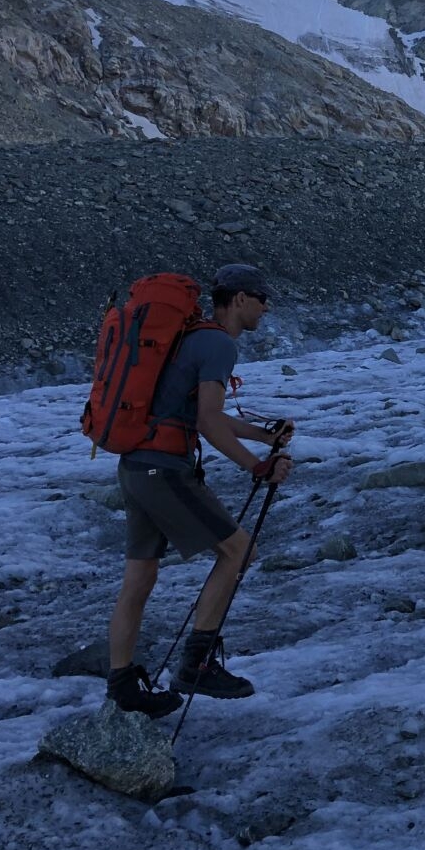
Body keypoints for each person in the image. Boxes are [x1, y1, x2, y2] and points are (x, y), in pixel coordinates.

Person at [105, 263, 294, 716]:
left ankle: (123, 685)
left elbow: (197, 414)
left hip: (136, 466)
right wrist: (258, 466)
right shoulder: (217, 344)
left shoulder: (193, 337)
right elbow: (208, 421)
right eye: (262, 298)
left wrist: (264, 437)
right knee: (238, 552)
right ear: (240, 299)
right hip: (165, 470)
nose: (266, 307)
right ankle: (197, 664)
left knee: (139, 579)